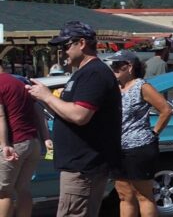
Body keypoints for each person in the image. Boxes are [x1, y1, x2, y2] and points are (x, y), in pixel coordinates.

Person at [26, 21, 121, 217]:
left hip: (83, 168)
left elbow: (79, 115)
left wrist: (47, 96)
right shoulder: (84, 73)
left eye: (66, 46)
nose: (62, 52)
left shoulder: (94, 73)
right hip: (81, 166)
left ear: (82, 43)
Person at [103, 51, 172, 217]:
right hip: (118, 149)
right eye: (112, 65)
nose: (114, 68)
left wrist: (154, 133)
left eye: (118, 65)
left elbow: (166, 110)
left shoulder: (142, 86)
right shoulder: (116, 88)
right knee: (124, 196)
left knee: (144, 196)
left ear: (130, 67)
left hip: (139, 148)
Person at [0, 58, 51, 217]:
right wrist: (45, 137)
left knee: (3, 192)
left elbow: (0, 117)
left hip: (14, 143)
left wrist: (3, 144)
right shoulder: (20, 83)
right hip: (32, 142)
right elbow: (38, 112)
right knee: (23, 188)